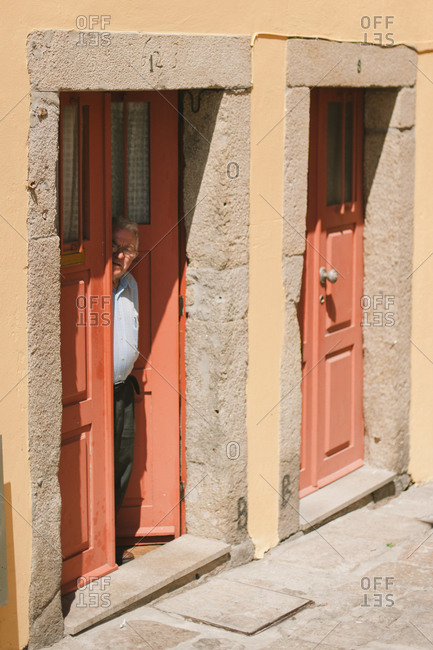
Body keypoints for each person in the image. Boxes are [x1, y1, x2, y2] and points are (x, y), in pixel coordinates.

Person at [112, 219, 140, 565]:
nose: (120, 254)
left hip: (123, 391)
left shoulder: (130, 285)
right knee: (98, 467)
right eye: (116, 246)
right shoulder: (91, 286)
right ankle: (96, 549)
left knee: (122, 465)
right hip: (99, 395)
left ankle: (111, 542)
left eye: (127, 249)